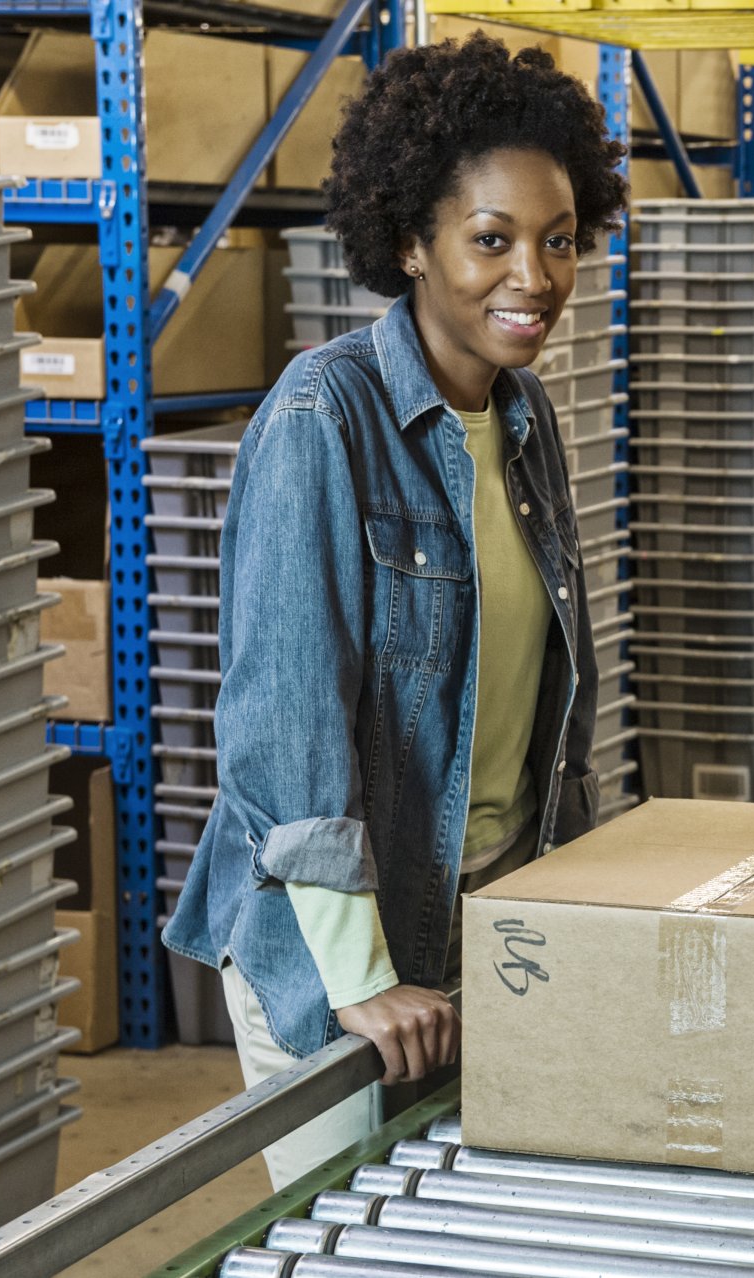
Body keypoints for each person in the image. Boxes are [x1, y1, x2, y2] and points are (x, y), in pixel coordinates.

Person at [163, 33, 627, 1189]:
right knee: (347, 1244)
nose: (535, 275)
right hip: (341, 952)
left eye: (560, 239)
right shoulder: (325, 418)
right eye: (491, 239)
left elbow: (534, 713)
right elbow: (283, 728)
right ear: (412, 244)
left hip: (487, 923)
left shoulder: (526, 422)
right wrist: (360, 974)